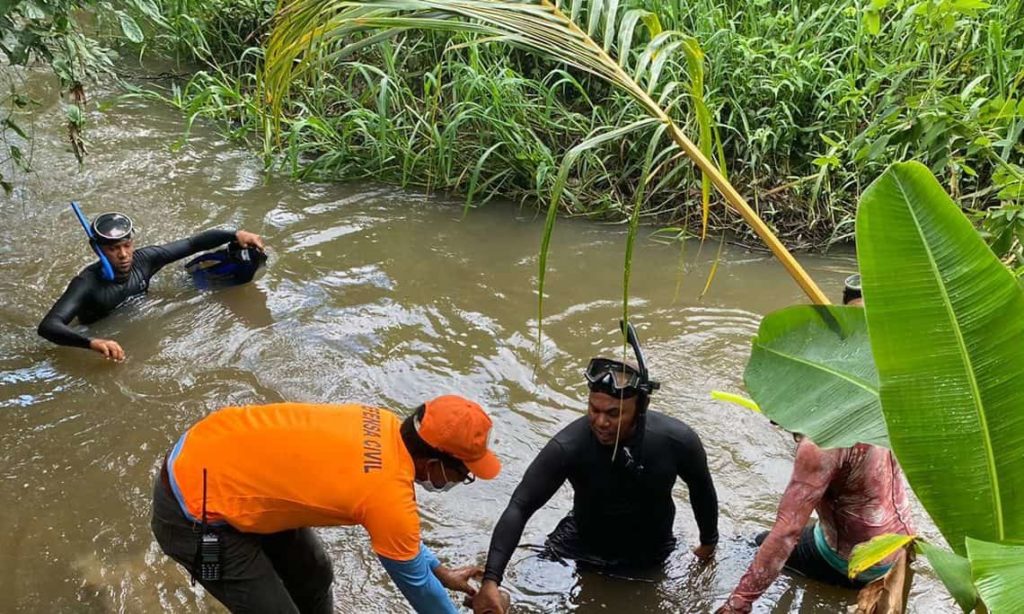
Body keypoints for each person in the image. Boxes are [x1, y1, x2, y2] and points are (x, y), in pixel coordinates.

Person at [151, 395, 501, 613]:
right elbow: (423, 595)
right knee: (263, 604)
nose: (462, 480)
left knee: (315, 574)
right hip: (192, 514)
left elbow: (402, 541)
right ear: (434, 464)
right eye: (464, 474)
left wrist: (438, 570)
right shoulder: (387, 495)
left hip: (218, 457)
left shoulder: (382, 422)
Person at [474, 322, 719, 614]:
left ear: (641, 408)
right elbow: (520, 505)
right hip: (580, 545)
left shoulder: (678, 441)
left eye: (614, 413)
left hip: (651, 553)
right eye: (594, 409)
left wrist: (708, 545)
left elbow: (702, 489)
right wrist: (491, 580)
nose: (601, 422)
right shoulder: (569, 446)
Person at [716, 274, 916, 613]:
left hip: (858, 563)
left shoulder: (824, 440)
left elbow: (787, 533)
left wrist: (738, 603)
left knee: (749, 543)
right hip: (904, 544)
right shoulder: (898, 390)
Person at [37, 210, 265, 361]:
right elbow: (48, 326)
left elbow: (191, 243)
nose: (123, 255)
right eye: (113, 249)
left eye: (127, 245)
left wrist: (235, 234)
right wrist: (92, 342)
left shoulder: (145, 260)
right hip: (101, 330)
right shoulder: (86, 283)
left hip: (139, 310)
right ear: (97, 250)